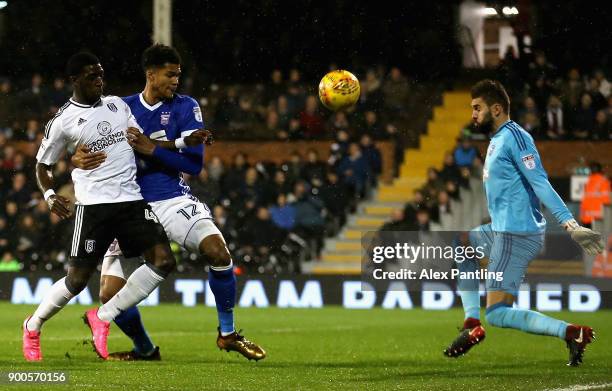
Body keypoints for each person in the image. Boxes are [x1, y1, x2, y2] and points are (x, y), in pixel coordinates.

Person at [71, 44, 265, 361]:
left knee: (218, 251)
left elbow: (192, 164)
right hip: (128, 208)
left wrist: (152, 149)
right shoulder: (120, 107)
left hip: (170, 199)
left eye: (178, 74)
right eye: (170, 74)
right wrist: (77, 157)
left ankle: (227, 333)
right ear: (151, 74)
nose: (176, 80)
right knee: (109, 294)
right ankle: (145, 350)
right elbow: (83, 143)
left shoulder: (186, 107)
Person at [22, 52, 177, 362]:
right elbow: (42, 165)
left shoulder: (117, 105)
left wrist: (182, 145)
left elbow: (141, 141)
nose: (99, 80)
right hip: (94, 207)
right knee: (77, 281)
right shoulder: (63, 120)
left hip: (131, 201)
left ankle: (103, 316)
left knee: (163, 260)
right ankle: (33, 325)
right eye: (92, 76)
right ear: (74, 80)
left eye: (101, 74)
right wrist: (51, 195)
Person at [443, 80, 603, 366]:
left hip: (515, 234)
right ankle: (473, 323)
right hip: (502, 231)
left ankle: (570, 332)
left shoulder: (516, 138)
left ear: (496, 109)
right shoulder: (496, 141)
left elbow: (540, 182)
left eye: (477, 108)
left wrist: (570, 224)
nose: (473, 115)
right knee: (462, 243)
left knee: (498, 314)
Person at [579, 162, 611, 228]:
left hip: (589, 218)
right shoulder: (603, 181)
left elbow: (585, 200)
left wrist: (582, 215)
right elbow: (606, 201)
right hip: (599, 218)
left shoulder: (590, 182)